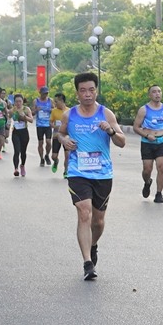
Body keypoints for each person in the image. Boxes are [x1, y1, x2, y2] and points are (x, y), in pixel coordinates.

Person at [59, 71, 126, 280]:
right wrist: (64, 141)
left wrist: (111, 132)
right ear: (77, 93)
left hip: (103, 173)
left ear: (96, 91)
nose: (87, 94)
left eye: (91, 90)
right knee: (84, 213)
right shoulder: (69, 115)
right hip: (78, 171)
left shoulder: (106, 114)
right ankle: (88, 263)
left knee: (98, 221)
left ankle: (93, 244)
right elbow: (60, 132)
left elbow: (122, 142)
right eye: (83, 90)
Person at [135, 85, 163, 203]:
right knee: (147, 170)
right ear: (149, 95)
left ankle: (159, 194)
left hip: (161, 141)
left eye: (159, 91)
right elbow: (136, 127)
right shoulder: (144, 110)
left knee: (161, 167)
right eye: (154, 92)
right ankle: (147, 182)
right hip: (147, 142)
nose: (157, 94)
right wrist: (147, 135)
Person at [33, 85, 57, 167]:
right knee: (40, 143)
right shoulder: (36, 101)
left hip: (48, 124)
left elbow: (54, 111)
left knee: (48, 142)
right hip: (39, 125)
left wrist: (50, 110)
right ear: (40, 93)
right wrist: (36, 110)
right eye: (44, 93)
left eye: (46, 93)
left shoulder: (50, 101)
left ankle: (47, 155)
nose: (45, 95)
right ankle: (41, 159)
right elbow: (32, 113)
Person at [9, 94, 32, 176]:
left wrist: (24, 117)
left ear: (22, 102)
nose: (18, 103)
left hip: (24, 132)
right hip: (16, 132)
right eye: (16, 101)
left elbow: (31, 120)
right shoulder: (12, 110)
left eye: (20, 101)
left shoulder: (26, 109)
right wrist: (7, 128)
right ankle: (16, 169)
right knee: (16, 151)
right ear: (14, 102)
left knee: (23, 152)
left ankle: (22, 165)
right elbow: (8, 119)